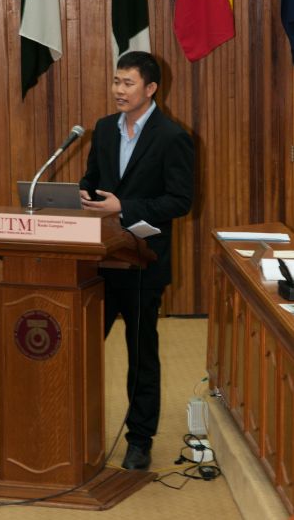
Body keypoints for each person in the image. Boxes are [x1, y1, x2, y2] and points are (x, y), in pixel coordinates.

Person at [79, 51, 194, 470]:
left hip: (144, 263)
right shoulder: (104, 129)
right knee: (80, 347)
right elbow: (92, 179)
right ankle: (75, 431)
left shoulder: (172, 137)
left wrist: (123, 207)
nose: (119, 90)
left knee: (141, 356)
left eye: (128, 83)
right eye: (116, 81)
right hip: (100, 260)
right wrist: (84, 194)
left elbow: (179, 201)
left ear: (151, 88)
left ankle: (139, 441)